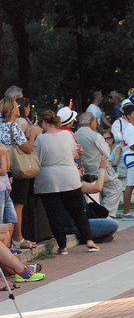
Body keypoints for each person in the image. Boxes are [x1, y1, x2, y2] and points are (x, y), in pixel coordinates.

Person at [34, 110, 99, 255]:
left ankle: (62, 246)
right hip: (69, 177)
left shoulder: (40, 139)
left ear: (44, 123)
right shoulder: (68, 135)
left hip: (48, 179)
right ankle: (89, 241)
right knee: (78, 211)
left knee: (54, 214)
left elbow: (37, 159)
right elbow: (75, 153)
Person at [0, 97, 41, 249]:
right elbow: (28, 148)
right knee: (17, 206)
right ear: (12, 110)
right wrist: (32, 134)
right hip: (18, 170)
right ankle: (18, 238)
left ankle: (6, 241)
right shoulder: (14, 127)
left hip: (4, 172)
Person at [75, 112, 123, 218]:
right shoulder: (95, 136)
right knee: (116, 187)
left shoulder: (75, 135)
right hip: (98, 171)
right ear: (92, 122)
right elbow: (107, 153)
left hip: (83, 172)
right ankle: (107, 214)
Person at [64, 156, 119, 242]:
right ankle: (86, 237)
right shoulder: (74, 183)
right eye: (78, 168)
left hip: (72, 222)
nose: (80, 170)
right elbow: (97, 188)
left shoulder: (64, 181)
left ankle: (93, 236)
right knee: (113, 224)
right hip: (75, 225)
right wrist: (102, 169)